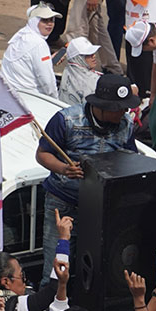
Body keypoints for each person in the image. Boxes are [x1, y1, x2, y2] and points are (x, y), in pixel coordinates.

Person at [35, 75, 140, 284]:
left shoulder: (125, 125)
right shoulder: (66, 120)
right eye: (119, 108)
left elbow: (130, 159)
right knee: (55, 269)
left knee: (93, 270)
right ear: (102, 106)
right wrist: (65, 169)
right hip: (63, 204)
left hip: (99, 209)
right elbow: (42, 154)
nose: (124, 112)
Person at [2, 3, 62, 96]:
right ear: (35, 21)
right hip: (29, 97)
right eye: (44, 20)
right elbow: (47, 81)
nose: (49, 24)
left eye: (51, 20)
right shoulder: (39, 44)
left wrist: (48, 61)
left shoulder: (21, 36)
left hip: (9, 93)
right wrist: (55, 99)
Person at [58, 37, 102, 106]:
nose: (94, 56)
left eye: (93, 53)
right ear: (78, 58)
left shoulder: (69, 69)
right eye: (89, 54)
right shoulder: (92, 81)